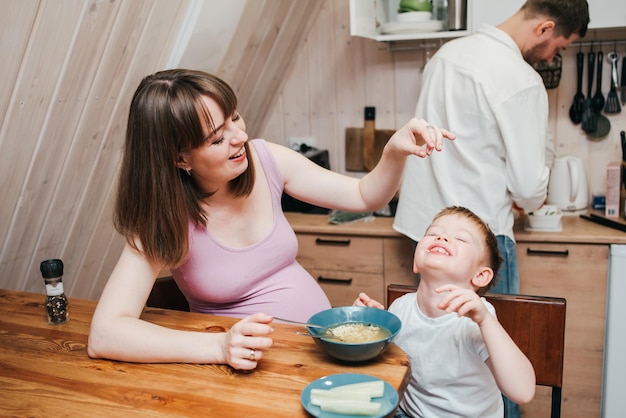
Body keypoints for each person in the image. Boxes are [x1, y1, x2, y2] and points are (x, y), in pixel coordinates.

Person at [87, 69, 455, 370]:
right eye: (218, 139)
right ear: (180, 159)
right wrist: (219, 346)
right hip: (248, 368)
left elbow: (364, 195)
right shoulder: (162, 219)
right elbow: (105, 335)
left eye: (235, 118)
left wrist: (393, 152)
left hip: (311, 354)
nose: (240, 137)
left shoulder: (267, 160)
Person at [393, 5, 588, 413]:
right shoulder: (520, 79)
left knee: (442, 353)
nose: (552, 57)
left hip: (426, 227)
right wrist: (527, 196)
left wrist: (436, 235)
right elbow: (530, 186)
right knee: (481, 361)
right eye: (559, 46)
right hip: (481, 237)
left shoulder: (445, 56)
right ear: (545, 27)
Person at [355, 206, 536, 418]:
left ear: (480, 276)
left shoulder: (476, 320)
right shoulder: (400, 309)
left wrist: (486, 321)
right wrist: (370, 329)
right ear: (416, 261)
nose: (442, 237)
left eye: (461, 238)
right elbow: (382, 371)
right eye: (432, 233)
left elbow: (523, 392)